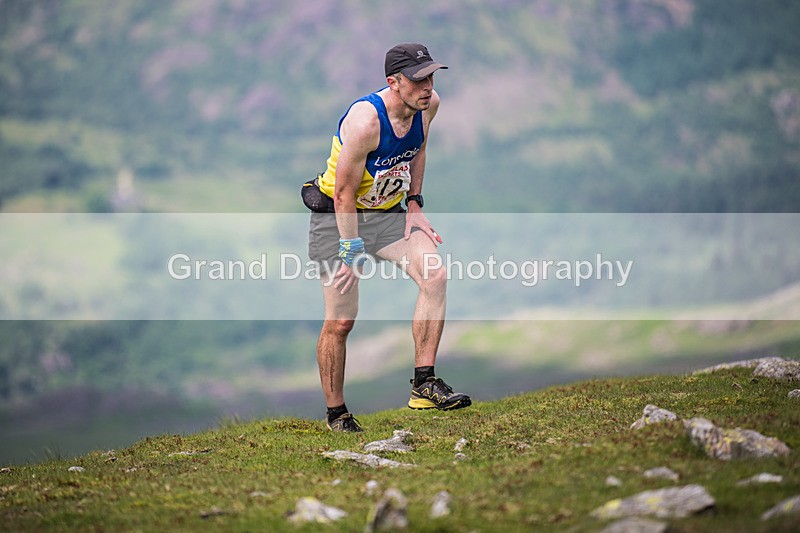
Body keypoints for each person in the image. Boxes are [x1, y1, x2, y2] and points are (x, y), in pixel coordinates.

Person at [305, 43, 471, 432]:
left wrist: (414, 202)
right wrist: (351, 252)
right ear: (393, 83)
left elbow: (418, 149)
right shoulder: (366, 121)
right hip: (337, 217)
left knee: (435, 274)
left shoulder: (428, 106)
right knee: (340, 321)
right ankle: (336, 414)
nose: (427, 87)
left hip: (387, 214)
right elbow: (343, 193)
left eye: (431, 77)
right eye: (418, 80)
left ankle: (424, 384)